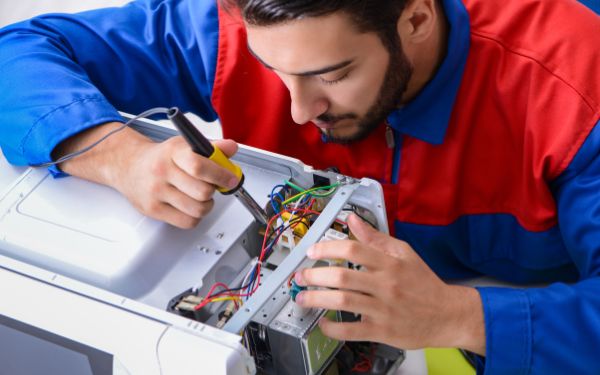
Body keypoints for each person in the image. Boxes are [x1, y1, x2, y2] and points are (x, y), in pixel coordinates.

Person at [0, 0, 599, 373]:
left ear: (415, 17)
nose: (295, 111)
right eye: (272, 71)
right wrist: (118, 155)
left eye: (331, 75)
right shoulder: (234, 26)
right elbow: (21, 52)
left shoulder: (574, 89)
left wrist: (460, 316)